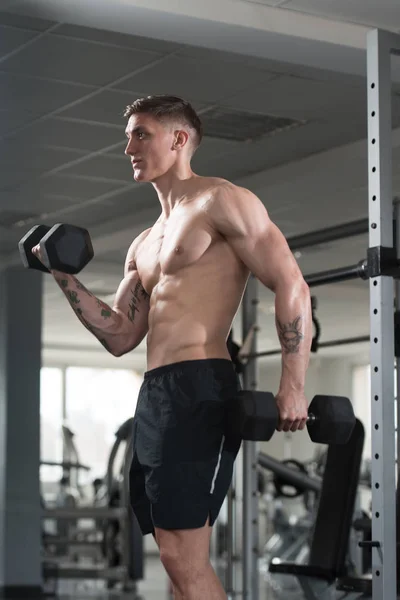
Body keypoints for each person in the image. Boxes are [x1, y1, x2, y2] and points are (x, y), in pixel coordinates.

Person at [33, 94, 312, 600]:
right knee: (169, 550)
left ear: (179, 140)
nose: (128, 147)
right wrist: (61, 275)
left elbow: (292, 284)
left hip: (202, 385)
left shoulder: (222, 201)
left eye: (141, 134)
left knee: (184, 554)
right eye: (128, 136)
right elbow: (120, 333)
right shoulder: (145, 242)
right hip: (156, 392)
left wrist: (292, 387)